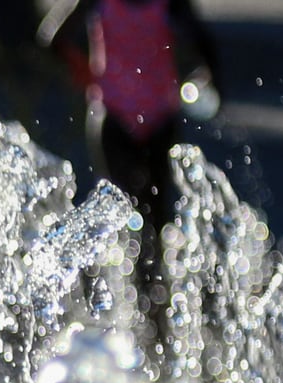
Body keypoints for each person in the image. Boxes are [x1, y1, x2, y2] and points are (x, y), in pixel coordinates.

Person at [42, 0, 222, 317]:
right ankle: (136, 306)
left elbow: (54, 40)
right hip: (123, 120)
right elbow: (54, 39)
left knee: (148, 219)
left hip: (142, 117)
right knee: (131, 216)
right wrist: (89, 77)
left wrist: (90, 79)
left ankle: (148, 305)